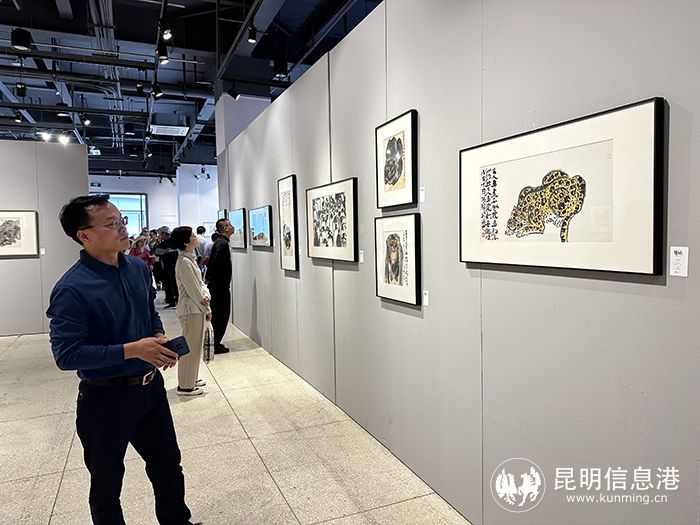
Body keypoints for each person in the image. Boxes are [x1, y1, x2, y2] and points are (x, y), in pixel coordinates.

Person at [46, 195, 200, 525]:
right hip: (104, 399)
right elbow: (66, 355)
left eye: (121, 221)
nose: (122, 228)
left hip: (150, 390)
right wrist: (133, 350)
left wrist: (157, 338)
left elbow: (149, 314)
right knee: (106, 483)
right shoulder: (71, 289)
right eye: (111, 223)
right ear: (84, 235)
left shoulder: (137, 269)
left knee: (168, 466)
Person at [171, 226, 211, 396]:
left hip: (195, 308)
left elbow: (200, 285)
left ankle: (191, 378)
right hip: (190, 309)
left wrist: (206, 296)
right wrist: (207, 307)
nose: (196, 237)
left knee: (195, 346)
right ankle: (185, 386)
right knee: (190, 347)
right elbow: (194, 290)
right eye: (193, 235)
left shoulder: (189, 259)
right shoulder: (184, 262)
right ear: (186, 241)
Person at [205, 219, 233, 354]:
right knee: (221, 315)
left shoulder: (219, 242)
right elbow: (215, 263)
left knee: (218, 314)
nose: (232, 227)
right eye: (230, 225)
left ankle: (214, 343)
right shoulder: (222, 243)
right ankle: (215, 345)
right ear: (226, 228)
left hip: (217, 286)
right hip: (220, 287)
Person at [155, 227, 178, 308]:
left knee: (170, 284)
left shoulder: (165, 244)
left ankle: (172, 301)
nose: (160, 236)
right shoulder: (175, 242)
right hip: (175, 267)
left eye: (160, 234)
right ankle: (176, 299)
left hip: (168, 268)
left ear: (164, 233)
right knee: (175, 284)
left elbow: (156, 251)